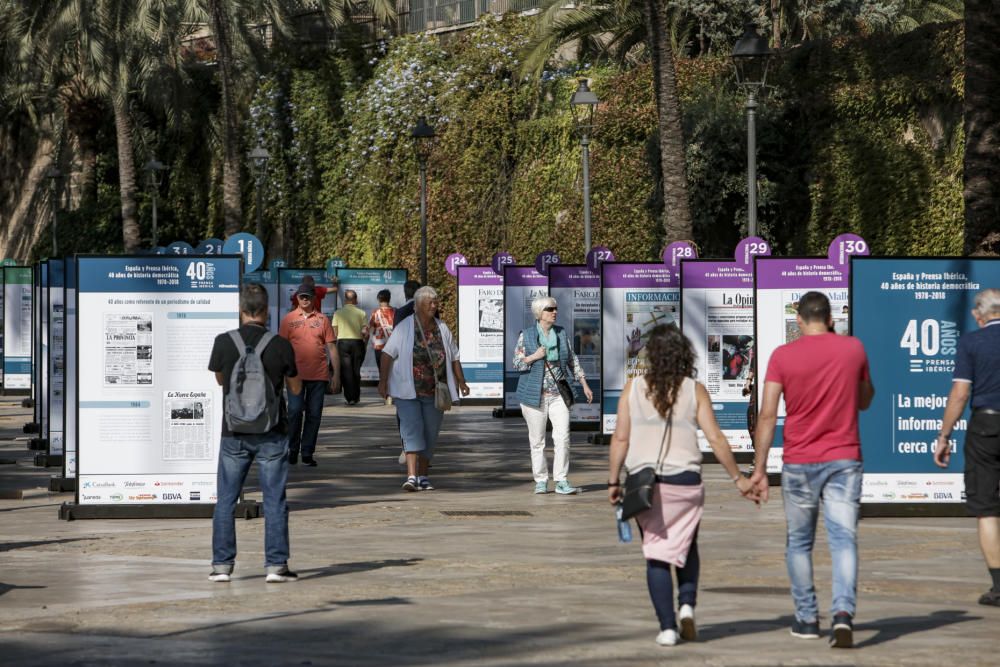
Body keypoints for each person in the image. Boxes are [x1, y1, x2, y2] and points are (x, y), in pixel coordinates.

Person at [608, 324, 754, 646]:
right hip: (686, 482)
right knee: (687, 545)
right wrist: (738, 478)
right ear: (683, 354)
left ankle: (668, 628)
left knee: (657, 554)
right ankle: (687, 605)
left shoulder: (632, 388)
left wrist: (613, 480)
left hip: (645, 484)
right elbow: (715, 438)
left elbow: (620, 438)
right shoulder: (695, 389)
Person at [750, 291, 874, 648]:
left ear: (800, 320)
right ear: (831, 318)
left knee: (799, 543)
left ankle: (806, 619)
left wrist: (759, 468)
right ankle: (842, 615)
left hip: (800, 460)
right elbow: (865, 400)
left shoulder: (782, 356)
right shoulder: (853, 349)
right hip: (844, 457)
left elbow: (768, 414)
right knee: (844, 539)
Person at [208, 283, 301, 583]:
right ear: (266, 310)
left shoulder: (223, 342)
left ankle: (222, 566)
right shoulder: (280, 344)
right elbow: (295, 388)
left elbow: (222, 381)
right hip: (272, 433)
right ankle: (276, 566)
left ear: (241, 309)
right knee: (274, 500)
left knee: (226, 500)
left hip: (233, 433)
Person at [933, 288, 1000, 607]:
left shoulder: (972, 343)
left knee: (986, 507)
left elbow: (960, 394)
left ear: (978, 316)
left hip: (986, 426)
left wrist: (944, 436)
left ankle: (999, 586)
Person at [378, 286, 470, 491]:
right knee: (411, 430)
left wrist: (461, 381)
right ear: (418, 305)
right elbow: (387, 354)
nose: (434, 306)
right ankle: (411, 476)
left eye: (436, 302)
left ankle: (424, 476)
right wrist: (383, 381)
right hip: (407, 391)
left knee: (430, 433)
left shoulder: (442, 328)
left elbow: (454, 357)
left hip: (435, 391)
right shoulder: (405, 327)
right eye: (430, 302)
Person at [513, 296, 594, 495]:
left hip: (558, 394)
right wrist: (534, 356)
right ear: (540, 313)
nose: (554, 312)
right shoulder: (528, 335)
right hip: (534, 396)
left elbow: (572, 361)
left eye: (555, 309)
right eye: (550, 309)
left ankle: (561, 480)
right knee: (538, 441)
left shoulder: (561, 333)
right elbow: (517, 364)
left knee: (563, 437)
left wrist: (584, 383)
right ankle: (541, 480)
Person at [278, 283, 339, 466]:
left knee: (314, 415)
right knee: (295, 412)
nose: (304, 299)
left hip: (319, 375)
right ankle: (292, 449)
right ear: (296, 298)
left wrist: (336, 374)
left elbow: (332, 347)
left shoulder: (323, 320)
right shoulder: (288, 319)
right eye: (301, 296)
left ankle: (307, 452)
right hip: (294, 375)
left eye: (307, 296)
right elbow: (281, 348)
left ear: (314, 298)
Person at [333, 289, 368, 406]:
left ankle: (349, 398)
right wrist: (365, 342)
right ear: (355, 299)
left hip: (343, 343)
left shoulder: (338, 313)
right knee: (356, 370)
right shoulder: (361, 313)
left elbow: (335, 331)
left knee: (346, 371)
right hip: (357, 343)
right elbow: (365, 331)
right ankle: (356, 396)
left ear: (345, 299)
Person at [368, 289, 395, 390]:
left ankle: (386, 393)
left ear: (378, 299)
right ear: (389, 299)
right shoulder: (395, 312)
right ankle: (392, 392)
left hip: (379, 345)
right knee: (393, 369)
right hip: (392, 345)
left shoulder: (375, 312)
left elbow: (370, 328)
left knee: (382, 370)